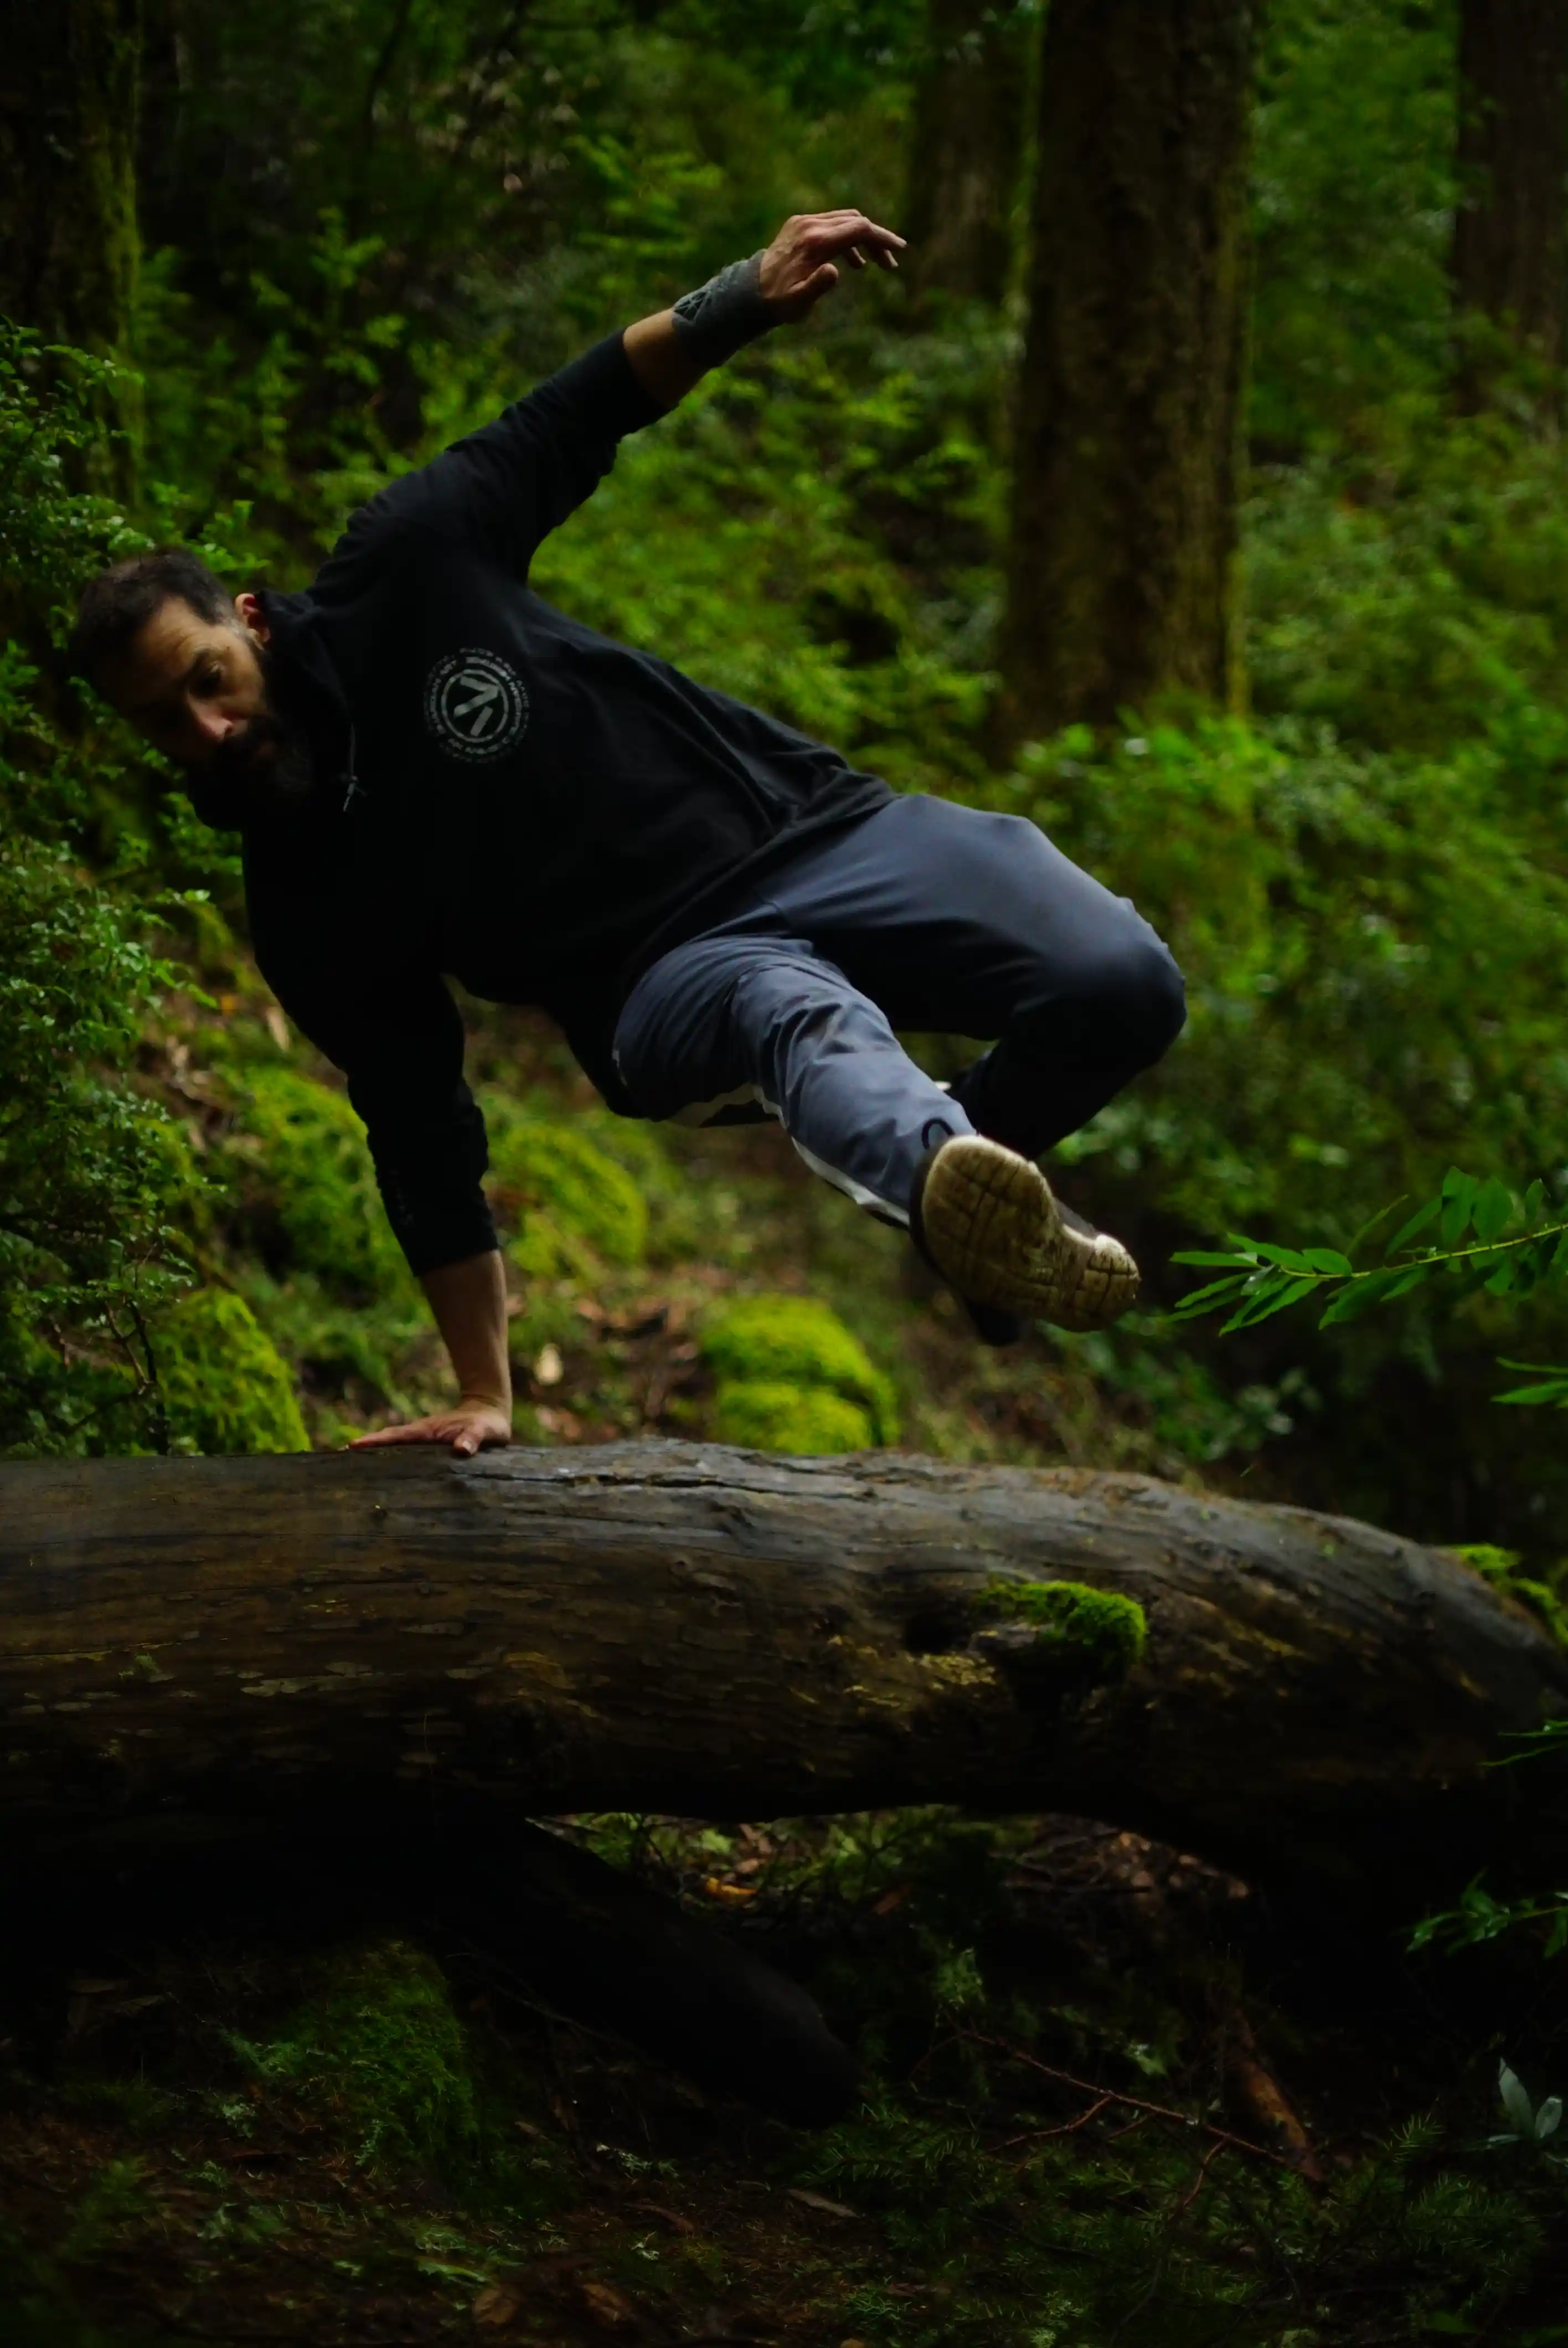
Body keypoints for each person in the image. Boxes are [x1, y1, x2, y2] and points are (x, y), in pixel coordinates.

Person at [70, 208, 1185, 1456]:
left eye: (208, 678)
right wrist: (486, 1390)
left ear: (249, 620)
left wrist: (744, 292)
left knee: (1123, 982)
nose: (209, 728)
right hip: (660, 984)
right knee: (789, 1009)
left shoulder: (408, 563)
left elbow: (575, 414)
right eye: (165, 723)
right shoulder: (306, 900)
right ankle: (935, 1175)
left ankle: (958, 1205)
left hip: (821, 826)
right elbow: (421, 1129)